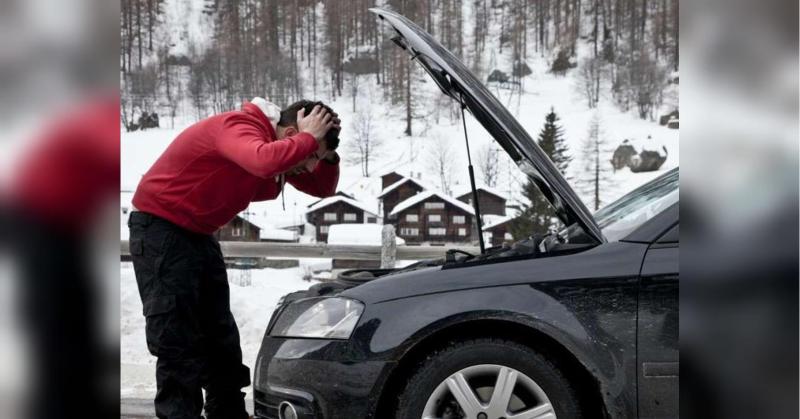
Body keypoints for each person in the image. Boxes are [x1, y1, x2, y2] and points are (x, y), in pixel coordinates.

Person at [128, 98, 341, 419]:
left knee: (220, 338)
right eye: (311, 156)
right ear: (292, 131)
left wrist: (325, 152)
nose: (310, 165)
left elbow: (322, 186)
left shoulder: (285, 150)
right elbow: (261, 161)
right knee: (178, 338)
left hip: (199, 234)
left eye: (315, 158)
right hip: (162, 230)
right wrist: (308, 139)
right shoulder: (240, 127)